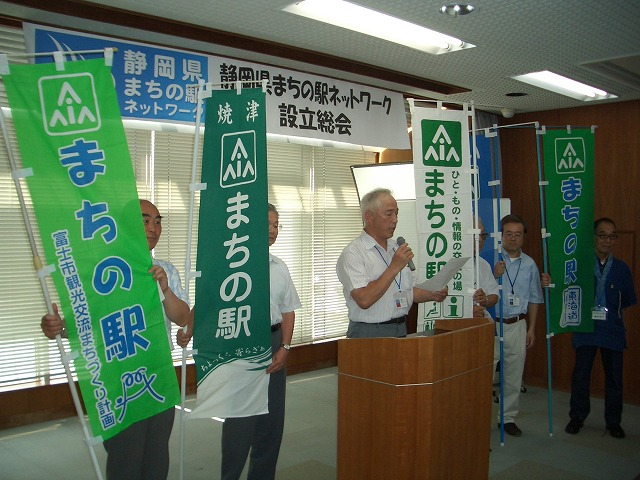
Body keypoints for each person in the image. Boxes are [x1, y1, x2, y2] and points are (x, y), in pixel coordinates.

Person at [41, 199, 191, 480]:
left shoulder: (165, 270)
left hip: (157, 373)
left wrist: (165, 289)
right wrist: (56, 327)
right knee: (126, 458)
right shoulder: (101, 271)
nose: (153, 228)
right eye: (145, 220)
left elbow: (183, 317)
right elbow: (78, 325)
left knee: (157, 456)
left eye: (158, 221)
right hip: (118, 376)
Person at [178, 202, 300, 480]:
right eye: (267, 224)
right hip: (240, 345)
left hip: (273, 343)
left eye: (276, 225)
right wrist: (189, 329)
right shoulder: (229, 264)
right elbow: (207, 301)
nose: (273, 231)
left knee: (271, 423)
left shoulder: (279, 267)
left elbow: (288, 310)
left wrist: (285, 347)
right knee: (239, 423)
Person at [336, 188, 448, 338]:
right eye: (389, 214)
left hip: (401, 328)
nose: (395, 219)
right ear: (369, 217)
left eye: (396, 213)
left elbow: (410, 291)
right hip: (368, 333)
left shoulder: (396, 247)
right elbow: (364, 299)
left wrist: (433, 294)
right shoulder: (353, 253)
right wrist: (394, 266)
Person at [565, 218, 637, 439]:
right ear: (594, 237)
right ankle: (577, 417)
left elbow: (625, 306)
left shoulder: (622, 269)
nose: (608, 240)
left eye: (612, 235)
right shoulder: (580, 265)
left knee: (614, 379)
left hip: (612, 331)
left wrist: (624, 332)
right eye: (603, 235)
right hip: (586, 329)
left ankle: (613, 422)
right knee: (581, 376)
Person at [492, 213, 544, 437]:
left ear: (523, 238)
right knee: (483, 373)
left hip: (517, 325)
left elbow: (534, 298)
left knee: (513, 375)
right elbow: (479, 292)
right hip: (491, 325)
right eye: (508, 234)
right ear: (501, 236)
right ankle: (476, 415)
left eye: (518, 235)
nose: (513, 239)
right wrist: (495, 275)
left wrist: (531, 328)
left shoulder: (530, 264)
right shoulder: (491, 259)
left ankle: (507, 418)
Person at [473, 217, 500, 319]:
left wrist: (485, 300)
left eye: (483, 235)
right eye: (475, 235)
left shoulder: (483, 264)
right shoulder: (448, 262)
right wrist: (465, 311)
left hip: (481, 324)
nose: (480, 239)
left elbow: (494, 295)